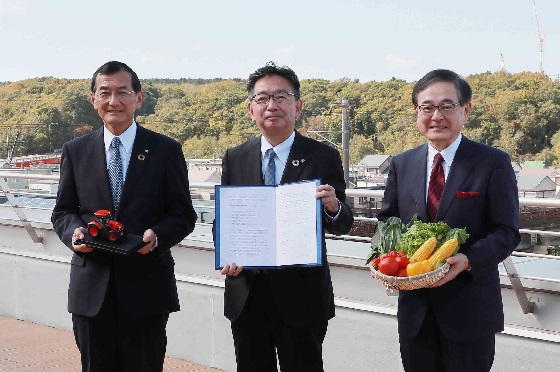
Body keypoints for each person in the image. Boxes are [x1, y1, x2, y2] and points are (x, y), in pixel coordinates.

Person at [51, 60, 198, 372]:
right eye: (104, 93)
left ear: (138, 99)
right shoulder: (75, 150)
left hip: (146, 287)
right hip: (91, 287)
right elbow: (63, 211)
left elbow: (183, 214)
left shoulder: (165, 150)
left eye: (122, 92)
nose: (113, 101)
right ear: (93, 99)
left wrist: (158, 236)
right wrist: (75, 233)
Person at [377, 69, 520, 372]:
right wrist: (386, 256)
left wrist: (468, 259)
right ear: (417, 111)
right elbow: (388, 220)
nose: (436, 116)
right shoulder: (402, 164)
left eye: (447, 106)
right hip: (415, 313)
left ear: (465, 110)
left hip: (470, 310)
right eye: (427, 107)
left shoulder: (492, 162)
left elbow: (506, 231)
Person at [216, 62, 354, 372]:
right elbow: (224, 220)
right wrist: (226, 252)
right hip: (246, 292)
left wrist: (333, 207)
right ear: (251, 109)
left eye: (281, 97)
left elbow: (343, 222)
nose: (271, 105)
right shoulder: (235, 157)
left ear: (298, 105)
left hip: (302, 297)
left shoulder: (323, 156)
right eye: (262, 98)